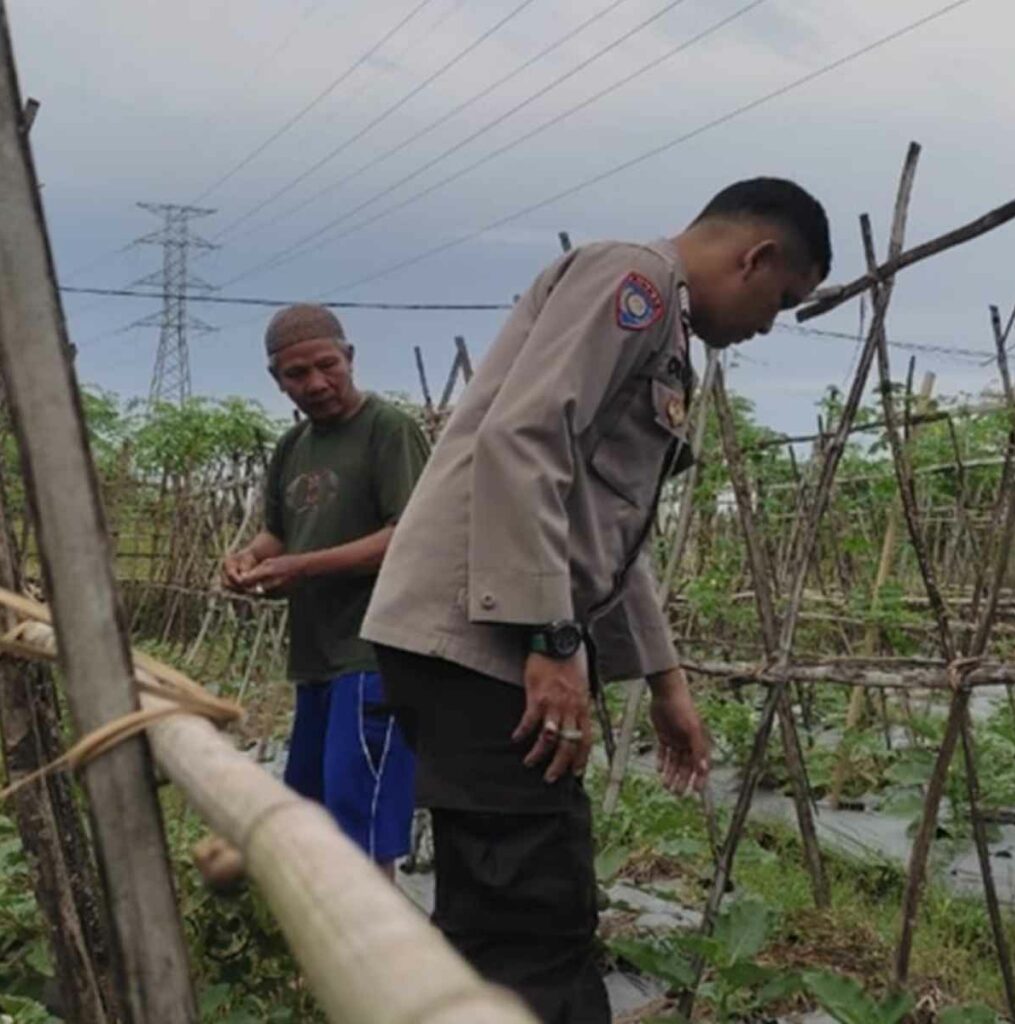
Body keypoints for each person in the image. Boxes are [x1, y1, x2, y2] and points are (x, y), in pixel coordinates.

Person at [361, 179, 832, 1021]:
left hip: (482, 630)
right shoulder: (635, 286)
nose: (767, 324)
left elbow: (604, 531)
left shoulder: (664, 332)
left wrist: (667, 682)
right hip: (480, 632)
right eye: (781, 301)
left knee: (511, 903)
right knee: (534, 913)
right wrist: (549, 638)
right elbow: (525, 438)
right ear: (755, 257)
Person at [222, 303, 430, 876]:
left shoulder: (388, 431)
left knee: (356, 827)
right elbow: (276, 534)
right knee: (312, 818)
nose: (315, 383)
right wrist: (247, 560)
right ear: (276, 380)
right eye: (296, 374)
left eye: (326, 365)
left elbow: (407, 540)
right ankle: (326, 956)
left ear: (350, 357)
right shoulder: (293, 448)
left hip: (373, 655)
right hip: (315, 658)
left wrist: (301, 568)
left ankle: (375, 958)